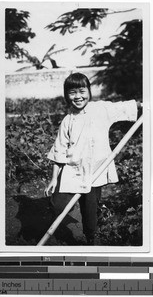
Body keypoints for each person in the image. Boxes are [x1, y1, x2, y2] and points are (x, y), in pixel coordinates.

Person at [44, 72, 142, 245]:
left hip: (95, 171)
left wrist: (144, 105)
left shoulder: (101, 109)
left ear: (89, 91)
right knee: (57, 204)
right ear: (67, 95)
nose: (78, 96)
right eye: (72, 92)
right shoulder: (67, 120)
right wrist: (54, 178)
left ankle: (91, 238)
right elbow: (59, 150)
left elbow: (125, 106)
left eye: (82, 91)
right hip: (72, 170)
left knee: (89, 210)